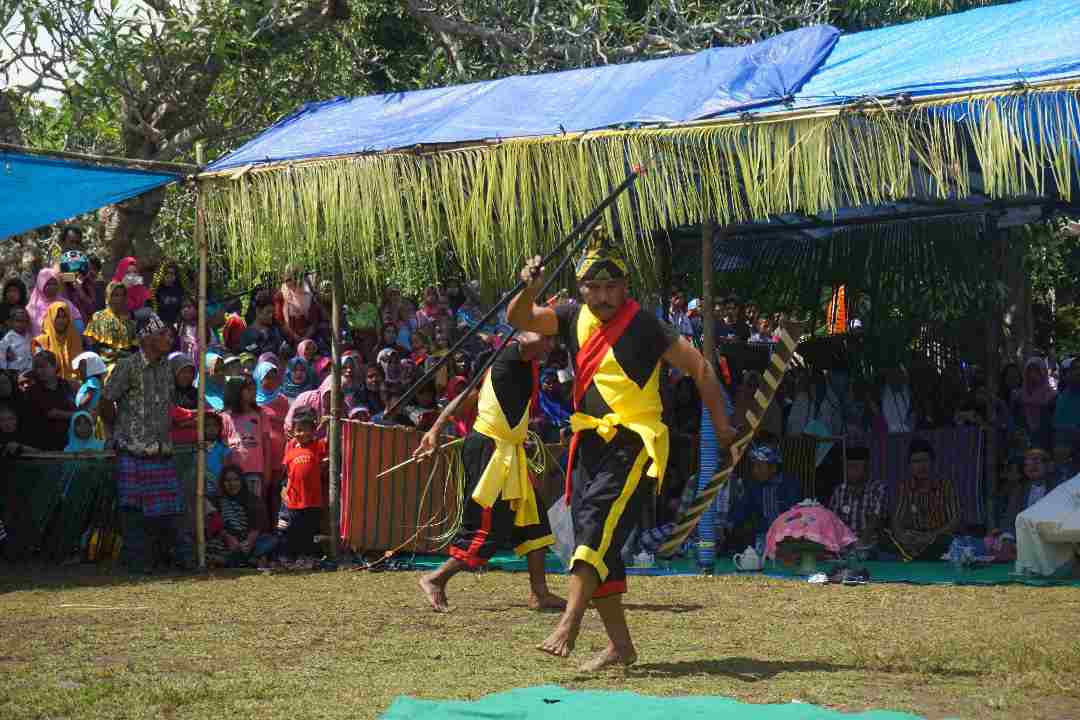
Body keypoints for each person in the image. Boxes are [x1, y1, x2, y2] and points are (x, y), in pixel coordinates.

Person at [507, 235, 736, 670]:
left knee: (594, 522)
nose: (603, 296)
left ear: (625, 287)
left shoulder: (646, 326)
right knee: (598, 542)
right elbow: (518, 316)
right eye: (594, 288)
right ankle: (620, 646)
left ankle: (570, 623)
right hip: (589, 441)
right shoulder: (571, 316)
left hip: (636, 441)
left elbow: (701, 369)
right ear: (580, 289)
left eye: (612, 287)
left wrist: (723, 428)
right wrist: (530, 287)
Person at [414, 331, 565, 612]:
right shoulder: (509, 355)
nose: (551, 345)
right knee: (488, 527)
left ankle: (540, 593)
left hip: (509, 450)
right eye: (547, 338)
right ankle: (436, 578)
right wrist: (435, 429)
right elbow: (465, 397)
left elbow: (467, 395)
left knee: (534, 521)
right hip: (490, 452)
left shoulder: (519, 367)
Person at [103, 311, 182, 573]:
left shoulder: (168, 367)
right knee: (133, 511)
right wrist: (117, 431)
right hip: (132, 451)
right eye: (162, 334)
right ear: (146, 338)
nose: (168, 339)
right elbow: (106, 400)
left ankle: (160, 559)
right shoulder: (127, 366)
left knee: (165, 512)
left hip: (161, 451)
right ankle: (137, 562)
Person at [886, 438, 961, 561]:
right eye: (915, 462)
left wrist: (930, 536)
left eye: (924, 460)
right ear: (910, 466)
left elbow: (955, 520)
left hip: (938, 537)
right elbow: (897, 520)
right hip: (914, 537)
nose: (921, 466)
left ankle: (917, 557)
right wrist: (902, 536)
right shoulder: (905, 487)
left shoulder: (946, 486)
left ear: (933, 462)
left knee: (946, 541)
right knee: (888, 539)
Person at [221, 375, 273, 532]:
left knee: (255, 508)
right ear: (236, 392)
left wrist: (268, 471)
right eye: (248, 389)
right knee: (235, 510)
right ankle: (239, 540)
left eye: (253, 389)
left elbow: (266, 444)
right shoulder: (225, 417)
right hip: (233, 474)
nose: (253, 392)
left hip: (255, 471)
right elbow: (223, 445)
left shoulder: (260, 414)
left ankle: (255, 542)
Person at [281, 409, 328, 568]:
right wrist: (285, 492)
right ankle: (292, 557)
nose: (302, 433)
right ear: (293, 432)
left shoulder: (318, 446)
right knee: (294, 530)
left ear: (313, 431)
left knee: (310, 530)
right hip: (294, 500)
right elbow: (288, 475)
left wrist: (327, 422)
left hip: (313, 499)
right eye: (298, 430)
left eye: (305, 429)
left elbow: (330, 440)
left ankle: (307, 557)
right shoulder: (291, 451)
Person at [827, 445, 888, 548]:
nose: (852, 471)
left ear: (867, 468)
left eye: (855, 467)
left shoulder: (878, 489)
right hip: (843, 545)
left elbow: (875, 519)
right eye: (849, 467)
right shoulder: (839, 491)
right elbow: (833, 521)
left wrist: (860, 544)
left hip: (871, 546)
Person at [19, 350, 76, 451]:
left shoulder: (65, 385)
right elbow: (52, 413)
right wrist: (79, 414)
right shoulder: (33, 390)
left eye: (43, 366)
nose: (39, 371)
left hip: (68, 442)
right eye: (36, 367)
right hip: (44, 444)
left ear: (54, 366)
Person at [85, 281, 137, 368]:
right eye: (115, 295)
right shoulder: (98, 317)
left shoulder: (130, 318)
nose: (120, 299)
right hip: (106, 367)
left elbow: (135, 346)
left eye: (122, 295)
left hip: (128, 366)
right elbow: (92, 344)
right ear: (108, 297)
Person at [32, 302, 83, 384]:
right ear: (51, 318)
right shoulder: (40, 342)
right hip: (49, 387)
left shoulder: (75, 339)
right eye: (57, 317)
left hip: (75, 386)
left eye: (64, 317)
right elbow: (39, 369)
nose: (61, 321)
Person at [1013, 358, 1056, 451]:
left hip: (1045, 441)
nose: (1032, 374)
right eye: (1030, 371)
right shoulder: (1018, 396)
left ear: (1043, 373)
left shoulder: (1052, 396)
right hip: (1022, 442)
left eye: (1037, 370)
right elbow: (1015, 420)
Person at [26, 268, 82, 337]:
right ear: (41, 285)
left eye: (54, 283)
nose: (52, 286)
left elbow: (78, 321)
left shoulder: (66, 303)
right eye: (48, 284)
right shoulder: (32, 307)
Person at [274, 266, 322, 348]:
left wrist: (305, 337)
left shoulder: (309, 295)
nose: (291, 282)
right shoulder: (281, 295)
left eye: (295, 278)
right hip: (287, 338)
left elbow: (314, 322)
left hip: (309, 339)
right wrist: (294, 336)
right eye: (288, 280)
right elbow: (280, 322)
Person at [240, 290, 286, 358]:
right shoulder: (247, 335)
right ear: (258, 311)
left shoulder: (275, 329)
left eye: (273, 312)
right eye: (268, 312)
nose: (271, 315)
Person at [149, 261, 188, 326]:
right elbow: (151, 308)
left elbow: (183, 307)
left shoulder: (180, 289)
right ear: (162, 274)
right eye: (166, 273)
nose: (169, 275)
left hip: (176, 324)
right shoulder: (156, 289)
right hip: (160, 325)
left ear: (175, 275)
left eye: (172, 273)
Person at [73, 351, 108, 415]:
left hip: (86, 412)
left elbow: (89, 395)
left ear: (91, 367)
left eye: (82, 366)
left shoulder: (92, 380)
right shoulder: (90, 381)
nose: (79, 369)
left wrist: (80, 404)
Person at [0, 307, 33, 373]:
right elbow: (2, 356)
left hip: (29, 371)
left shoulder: (29, 336)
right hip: (14, 372)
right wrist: (4, 371)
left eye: (25, 321)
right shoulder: (8, 338)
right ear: (11, 322)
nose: (21, 324)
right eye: (18, 321)